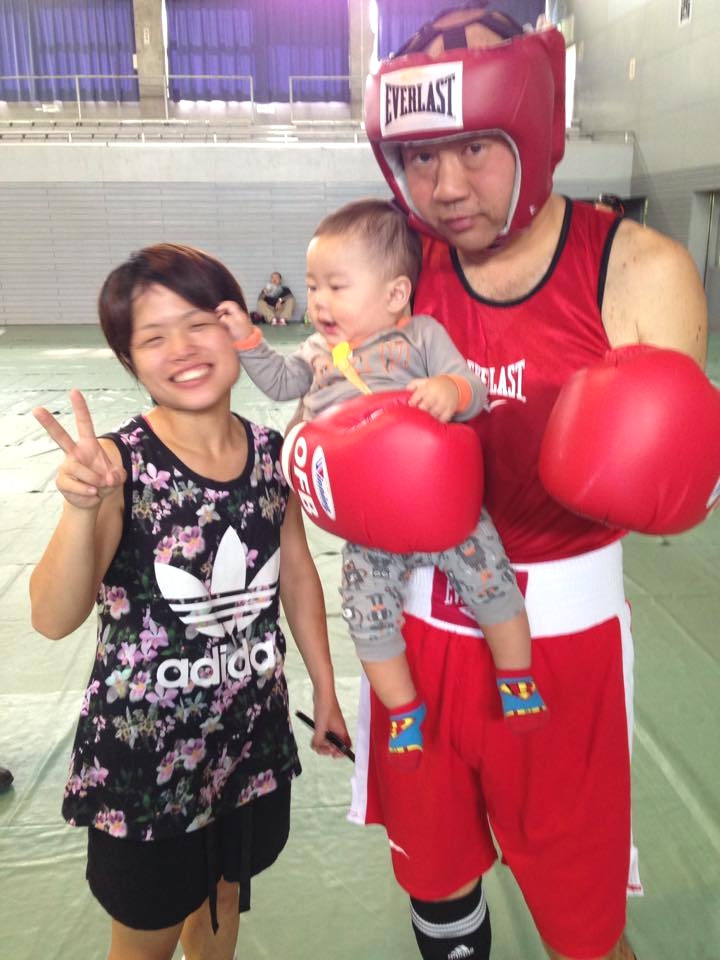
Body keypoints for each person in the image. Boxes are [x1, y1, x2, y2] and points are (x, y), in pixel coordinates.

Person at [352, 5, 709, 960]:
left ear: (535, 125)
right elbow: (331, 397)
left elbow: (682, 482)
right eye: (420, 156)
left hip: (558, 643)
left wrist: (679, 475)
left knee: (583, 930)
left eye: (474, 147)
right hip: (417, 634)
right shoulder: (396, 269)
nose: (445, 187)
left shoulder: (638, 269)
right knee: (438, 886)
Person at [28, 243, 349, 960]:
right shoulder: (120, 465)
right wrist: (83, 509)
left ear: (237, 327)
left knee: (225, 897)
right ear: (130, 361)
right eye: (153, 337)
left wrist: (325, 688)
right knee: (146, 939)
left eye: (200, 322)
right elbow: (51, 618)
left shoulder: (270, 453)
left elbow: (297, 574)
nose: (182, 349)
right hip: (146, 763)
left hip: (250, 741)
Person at [219, 198, 547, 769]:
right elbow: (281, 383)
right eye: (312, 286)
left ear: (395, 294)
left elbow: (471, 387)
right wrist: (249, 339)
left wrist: (449, 391)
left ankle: (516, 676)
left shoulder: (419, 336)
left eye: (335, 286)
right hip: (369, 524)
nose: (319, 301)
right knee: (365, 613)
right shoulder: (317, 352)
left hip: (440, 502)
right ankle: (403, 708)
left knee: (491, 581)